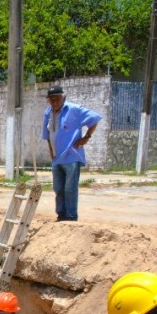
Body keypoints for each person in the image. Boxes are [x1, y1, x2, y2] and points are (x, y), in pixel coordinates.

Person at [42, 85, 100, 222]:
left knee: (70, 189)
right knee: (58, 189)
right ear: (48, 101)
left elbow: (95, 119)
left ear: (63, 98)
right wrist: (51, 153)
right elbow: (48, 135)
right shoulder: (48, 113)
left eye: (57, 99)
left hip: (71, 156)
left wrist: (87, 137)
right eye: (52, 100)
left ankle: (71, 217)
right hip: (57, 158)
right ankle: (61, 215)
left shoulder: (74, 110)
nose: (55, 102)